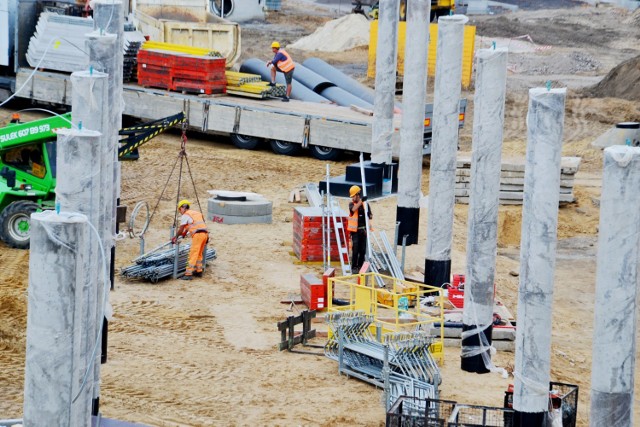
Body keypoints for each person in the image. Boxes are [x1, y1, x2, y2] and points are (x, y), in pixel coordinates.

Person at [172, 200, 209, 280]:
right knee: (199, 253)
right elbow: (191, 225)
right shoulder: (196, 213)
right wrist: (185, 233)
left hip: (198, 235)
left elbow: (181, 228)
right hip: (205, 235)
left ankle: (188, 274)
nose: (180, 211)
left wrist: (176, 237)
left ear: (183, 207)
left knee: (193, 253)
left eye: (179, 209)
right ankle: (199, 271)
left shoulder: (186, 215)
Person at [347, 185, 372, 273]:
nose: (353, 198)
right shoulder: (351, 204)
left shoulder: (365, 205)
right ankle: (354, 267)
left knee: (362, 250)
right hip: (355, 231)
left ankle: (361, 266)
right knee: (355, 249)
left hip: (363, 230)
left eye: (354, 196)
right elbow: (353, 210)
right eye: (352, 196)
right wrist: (361, 201)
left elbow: (370, 216)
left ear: (358, 195)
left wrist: (367, 212)